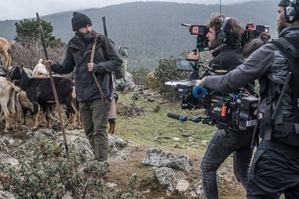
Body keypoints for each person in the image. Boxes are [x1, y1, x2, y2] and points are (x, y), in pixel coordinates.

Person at [196, 1, 299, 198]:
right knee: (243, 172)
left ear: (291, 14)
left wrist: (206, 80)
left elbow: (230, 81)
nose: (277, 17)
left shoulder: (273, 50)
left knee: (211, 167)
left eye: (280, 12)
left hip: (279, 147)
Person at [191, 15, 254, 199]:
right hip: (248, 126)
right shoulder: (241, 56)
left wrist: (194, 67)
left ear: (222, 36)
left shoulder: (220, 61)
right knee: (242, 172)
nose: (207, 36)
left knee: (207, 167)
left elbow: (198, 93)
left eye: (210, 32)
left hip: (232, 129)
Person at [47, 12, 123, 162]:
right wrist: (54, 66)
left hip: (101, 93)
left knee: (99, 130)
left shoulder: (101, 41)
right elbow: (67, 66)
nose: (88, 29)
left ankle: (101, 163)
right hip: (82, 94)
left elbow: (117, 61)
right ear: (76, 29)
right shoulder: (73, 44)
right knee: (88, 130)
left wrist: (98, 66)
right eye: (84, 27)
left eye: (89, 25)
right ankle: (98, 158)